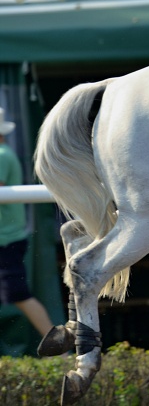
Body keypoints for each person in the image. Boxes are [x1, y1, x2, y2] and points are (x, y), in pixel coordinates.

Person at [0, 108, 54, 341]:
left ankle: (59, 350)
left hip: (6, 240)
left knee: (19, 295)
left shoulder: (1, 154)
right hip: (7, 239)